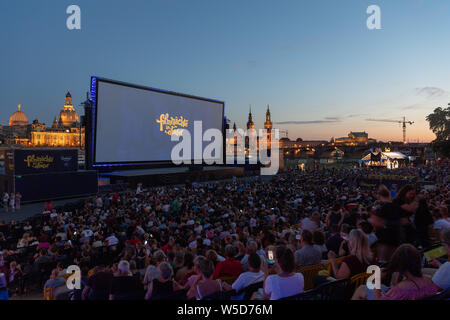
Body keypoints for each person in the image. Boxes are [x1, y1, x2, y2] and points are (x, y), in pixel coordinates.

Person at [430, 227, 450, 291]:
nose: (443, 247)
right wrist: (440, 265)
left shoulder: (447, 268)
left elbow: (433, 289)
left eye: (443, 244)